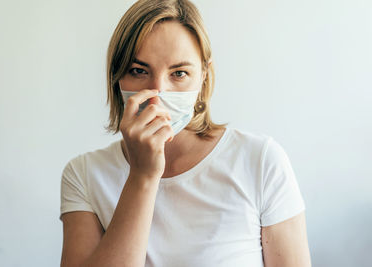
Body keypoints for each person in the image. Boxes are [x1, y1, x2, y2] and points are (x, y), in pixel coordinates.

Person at [59, 0, 312, 266]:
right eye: (138, 71)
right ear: (117, 76)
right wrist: (142, 176)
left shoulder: (260, 161)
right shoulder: (84, 175)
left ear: (204, 75)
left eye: (179, 73)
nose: (158, 94)